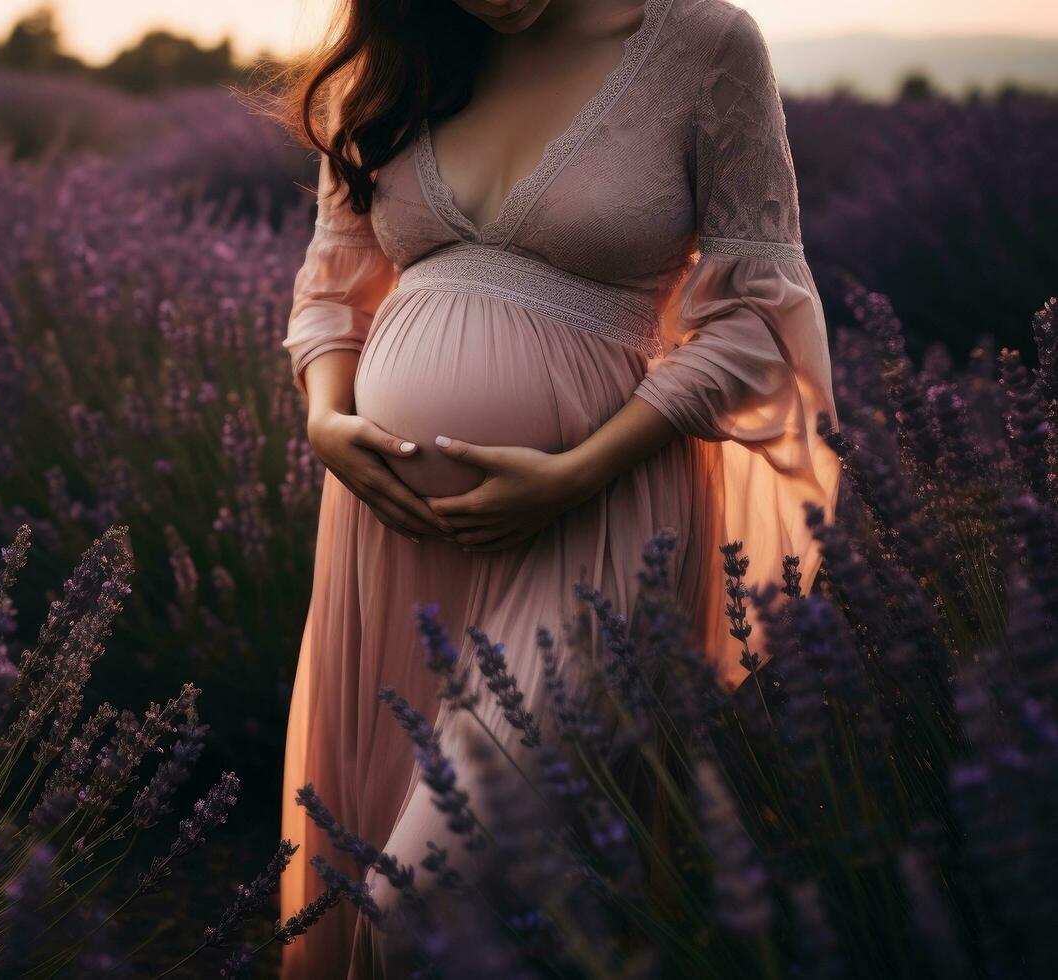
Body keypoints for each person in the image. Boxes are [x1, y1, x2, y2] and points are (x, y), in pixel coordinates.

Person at [276, 0, 839, 975]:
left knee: (426, 892)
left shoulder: (703, 44)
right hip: (390, 532)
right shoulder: (406, 49)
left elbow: (759, 312)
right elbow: (332, 282)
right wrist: (328, 420)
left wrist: (578, 470)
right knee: (406, 888)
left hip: (601, 518)